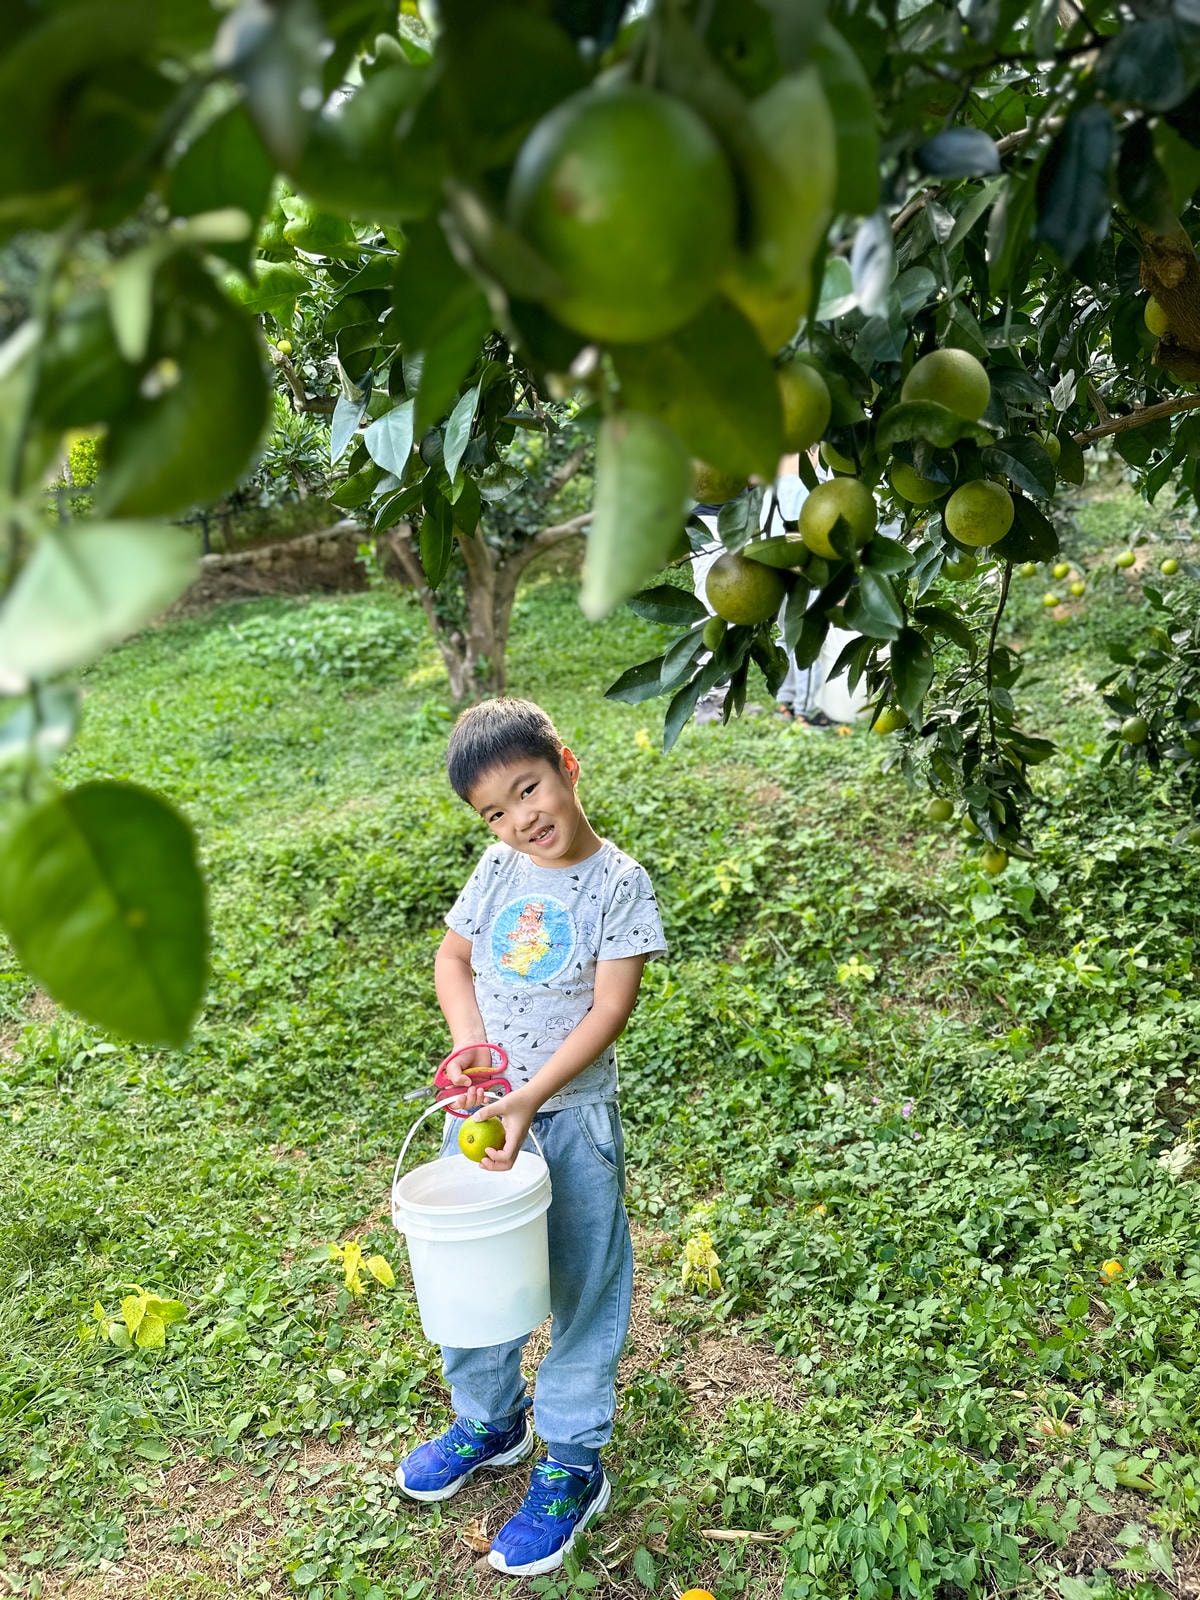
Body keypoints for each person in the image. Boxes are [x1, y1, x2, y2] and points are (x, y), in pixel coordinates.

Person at [394, 697, 667, 1579]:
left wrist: (528, 1100)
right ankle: (491, 1418)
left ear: (567, 764)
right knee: (469, 1274)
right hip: (485, 1117)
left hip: (572, 1118)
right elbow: (452, 958)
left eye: (529, 788)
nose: (521, 820)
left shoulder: (619, 883)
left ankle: (572, 1461)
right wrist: (477, 1056)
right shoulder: (500, 868)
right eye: (496, 812)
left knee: (584, 1287)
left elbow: (609, 1008)